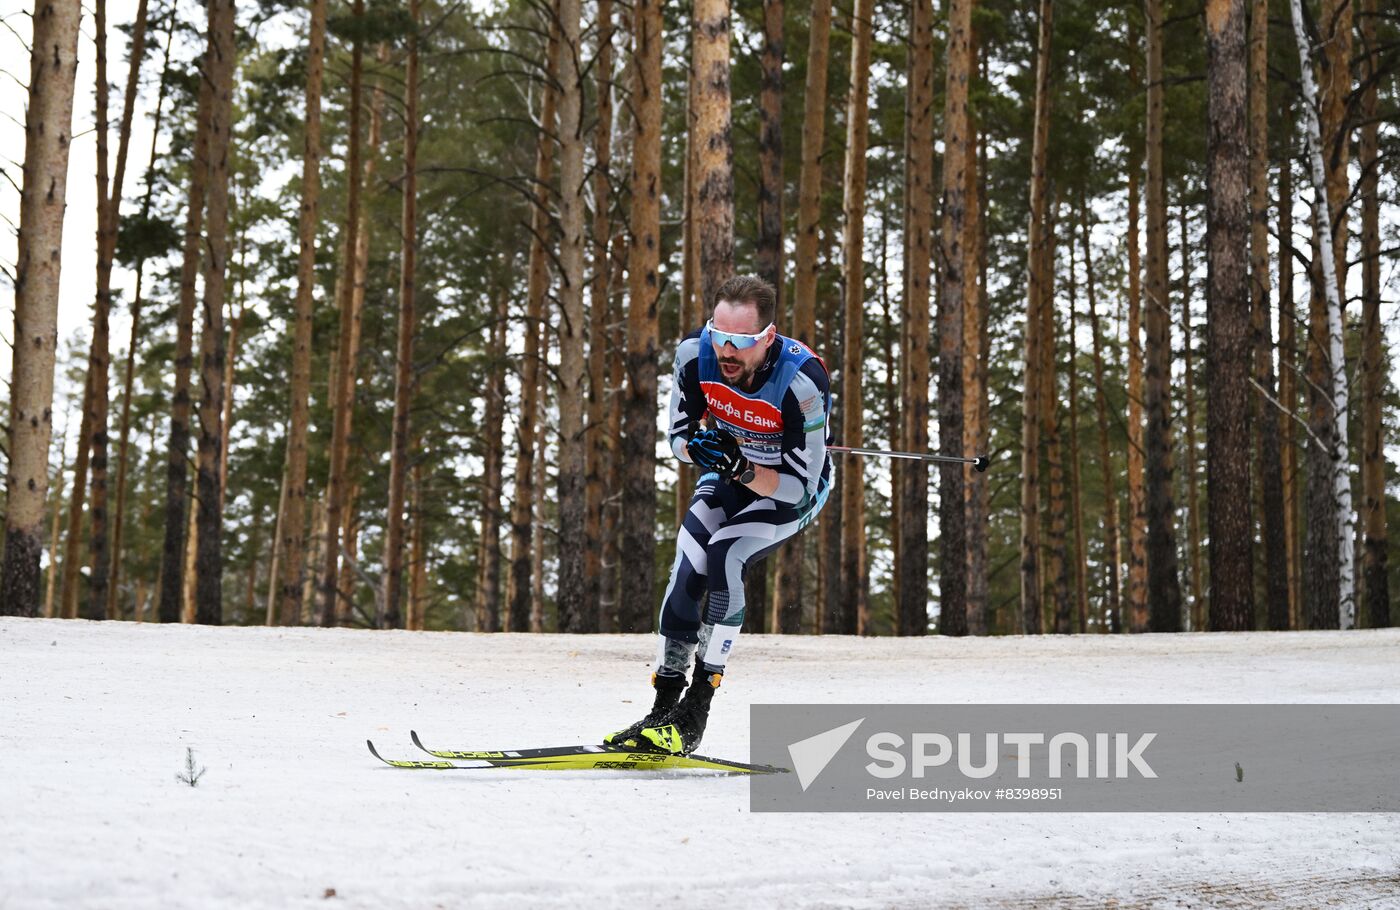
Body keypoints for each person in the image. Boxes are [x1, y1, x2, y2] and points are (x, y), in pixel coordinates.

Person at [607, 274, 832, 755]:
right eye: (719, 335)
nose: (727, 351)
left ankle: (695, 712)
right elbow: (678, 439)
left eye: (742, 341)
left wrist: (743, 466)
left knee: (726, 554)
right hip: (731, 472)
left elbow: (799, 487)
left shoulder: (801, 382)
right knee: (690, 561)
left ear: (767, 337)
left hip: (785, 490)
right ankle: (663, 707)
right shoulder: (695, 354)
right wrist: (702, 451)